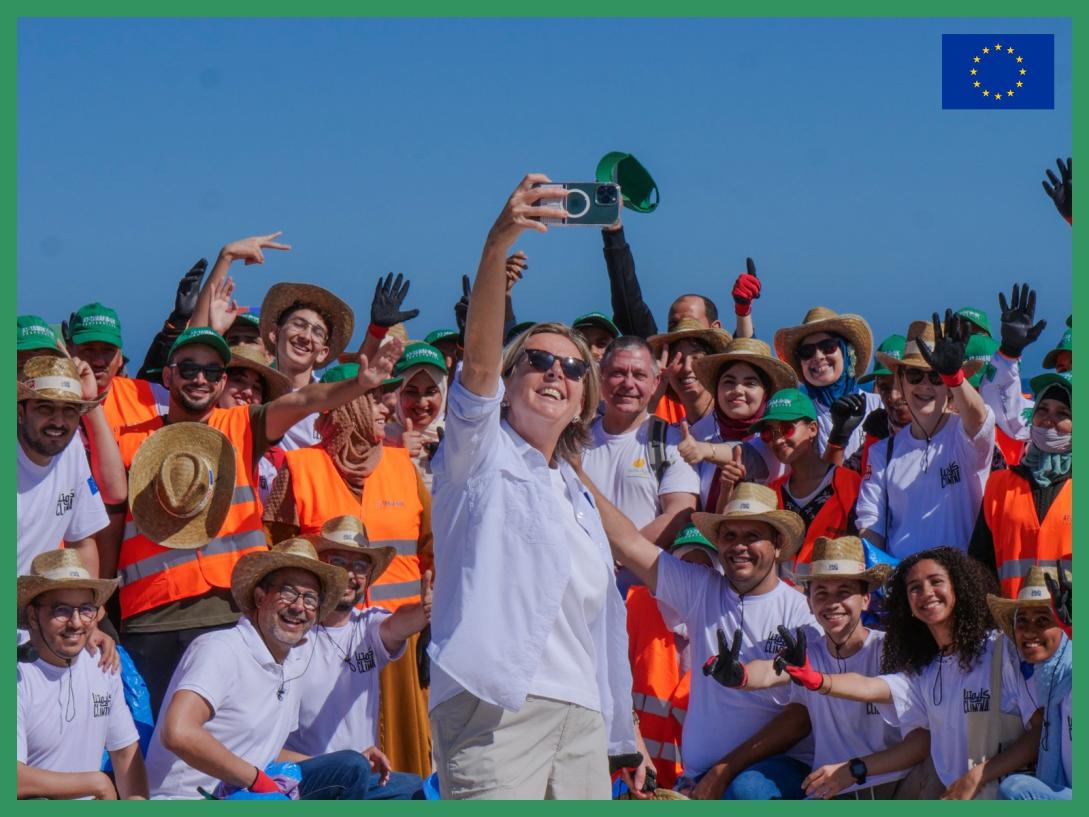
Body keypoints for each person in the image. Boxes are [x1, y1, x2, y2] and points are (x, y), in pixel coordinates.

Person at [428, 174, 636, 800]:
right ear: (512, 379)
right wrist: (498, 244)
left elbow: (602, 619)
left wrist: (622, 734)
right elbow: (480, 367)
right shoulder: (478, 452)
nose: (556, 372)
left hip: (583, 718)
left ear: (583, 402)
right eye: (538, 361)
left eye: (574, 368)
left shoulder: (576, 497)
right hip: (495, 706)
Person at [116, 326, 402, 715]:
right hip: (152, 618)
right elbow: (104, 529)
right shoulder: (130, 440)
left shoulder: (241, 426)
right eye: (188, 368)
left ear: (220, 384)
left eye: (214, 372)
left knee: (236, 738)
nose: (201, 379)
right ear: (167, 377)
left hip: (231, 612)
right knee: (155, 751)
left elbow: (305, 399)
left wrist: (358, 384)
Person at [579, 475, 816, 800]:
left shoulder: (802, 615)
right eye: (730, 535)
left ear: (776, 545)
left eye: (753, 535)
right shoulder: (703, 588)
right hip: (704, 779)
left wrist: (724, 771)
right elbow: (628, 542)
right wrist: (574, 469)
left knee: (746, 791)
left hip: (771, 775)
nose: (739, 545)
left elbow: (801, 719)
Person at [263, 358, 433, 780]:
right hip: (320, 643)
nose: (387, 407)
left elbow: (433, 550)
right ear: (345, 405)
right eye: (373, 397)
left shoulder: (402, 467)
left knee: (406, 762)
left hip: (399, 641)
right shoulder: (298, 468)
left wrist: (429, 622)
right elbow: (276, 554)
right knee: (330, 758)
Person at [775, 547, 1040, 800]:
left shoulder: (1000, 649)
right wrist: (818, 680)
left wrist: (978, 776)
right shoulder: (926, 670)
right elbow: (871, 687)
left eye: (936, 581)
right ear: (908, 605)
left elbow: (1039, 732)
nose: (926, 593)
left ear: (958, 587)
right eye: (915, 588)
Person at [145, 538, 391, 800]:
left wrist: (338, 762)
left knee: (401, 787)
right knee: (351, 769)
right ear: (260, 597)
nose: (298, 607)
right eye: (287, 593)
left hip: (254, 789)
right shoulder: (221, 648)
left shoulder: (290, 663)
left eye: (310, 599)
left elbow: (268, 752)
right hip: (193, 798)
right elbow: (178, 732)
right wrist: (255, 779)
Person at [703, 536, 932, 799]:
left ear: (865, 600)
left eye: (844, 592)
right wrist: (739, 676)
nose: (832, 602)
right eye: (821, 593)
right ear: (810, 603)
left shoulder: (890, 650)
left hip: (887, 787)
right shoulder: (809, 652)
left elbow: (921, 743)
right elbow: (769, 671)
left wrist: (854, 769)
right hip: (829, 790)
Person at [284, 516, 428, 799]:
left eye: (360, 566)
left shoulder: (368, 626)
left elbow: (397, 624)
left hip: (361, 775)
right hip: (301, 776)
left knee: (418, 791)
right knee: (350, 767)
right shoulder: (290, 630)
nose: (350, 574)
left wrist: (424, 611)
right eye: (338, 562)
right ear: (320, 568)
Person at [855, 315, 995, 558]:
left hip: (959, 586)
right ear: (900, 379)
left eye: (936, 376)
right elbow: (870, 526)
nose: (925, 385)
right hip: (904, 586)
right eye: (915, 375)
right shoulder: (882, 453)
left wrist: (954, 377)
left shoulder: (964, 436)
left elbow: (979, 417)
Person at [17, 550, 148, 800]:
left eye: (86, 609)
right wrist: (95, 783)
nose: (76, 622)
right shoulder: (17, 674)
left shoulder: (102, 662)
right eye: (62, 610)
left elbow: (125, 753)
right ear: (33, 616)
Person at [625, 525, 723, 791]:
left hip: (689, 784)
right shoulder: (636, 606)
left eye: (704, 569)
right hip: (629, 774)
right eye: (685, 565)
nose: (692, 577)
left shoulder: (727, 623)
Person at [582, 335, 700, 548]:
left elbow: (679, 514)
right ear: (600, 378)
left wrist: (618, 557)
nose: (628, 384)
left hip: (640, 579)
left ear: (655, 383)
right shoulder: (576, 440)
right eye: (618, 373)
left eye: (639, 375)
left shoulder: (671, 442)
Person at [970, 371, 1071, 598]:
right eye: (1042, 409)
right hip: (1013, 623)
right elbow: (979, 564)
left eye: (1063, 413)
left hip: (1071, 629)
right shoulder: (999, 485)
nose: (1048, 419)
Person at [673, 337, 798, 508]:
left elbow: (748, 455)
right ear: (716, 389)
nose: (738, 390)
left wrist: (705, 450)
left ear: (765, 392)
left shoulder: (775, 433)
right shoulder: (698, 433)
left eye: (750, 383)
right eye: (729, 382)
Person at [748, 389, 863, 571]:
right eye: (769, 434)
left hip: (831, 593)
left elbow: (861, 545)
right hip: (786, 597)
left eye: (787, 429)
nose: (777, 441)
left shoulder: (847, 482)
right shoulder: (771, 493)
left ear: (812, 429)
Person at [17, 355, 110, 577]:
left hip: (34, 605)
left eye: (69, 409)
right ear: (20, 413)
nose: (58, 421)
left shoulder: (72, 449)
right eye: (45, 407)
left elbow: (82, 542)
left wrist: (90, 606)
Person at [987, 566, 1072, 800]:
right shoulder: (1045, 678)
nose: (1029, 630)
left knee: (1016, 791)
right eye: (1022, 620)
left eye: (1043, 619)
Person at [773, 306, 881, 460]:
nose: (818, 356)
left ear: (847, 353)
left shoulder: (880, 406)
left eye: (828, 346)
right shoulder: (797, 418)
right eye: (807, 352)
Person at [217, 341, 292, 505]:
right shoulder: (189, 430)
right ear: (219, 382)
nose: (248, 392)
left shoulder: (278, 459)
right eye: (238, 380)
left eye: (257, 388)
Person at [384, 341, 448, 490]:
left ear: (443, 392)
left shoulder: (459, 436)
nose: (421, 402)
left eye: (431, 392)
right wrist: (399, 453)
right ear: (398, 393)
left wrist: (453, 462)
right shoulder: (379, 437)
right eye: (412, 392)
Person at [646, 318, 730, 427]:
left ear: (712, 366)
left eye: (696, 358)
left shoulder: (737, 427)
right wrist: (654, 397)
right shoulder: (669, 436)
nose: (687, 368)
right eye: (678, 359)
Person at [856, 334, 912, 475]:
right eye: (884, 388)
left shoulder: (946, 431)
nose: (893, 396)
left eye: (901, 385)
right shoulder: (876, 434)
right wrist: (838, 439)